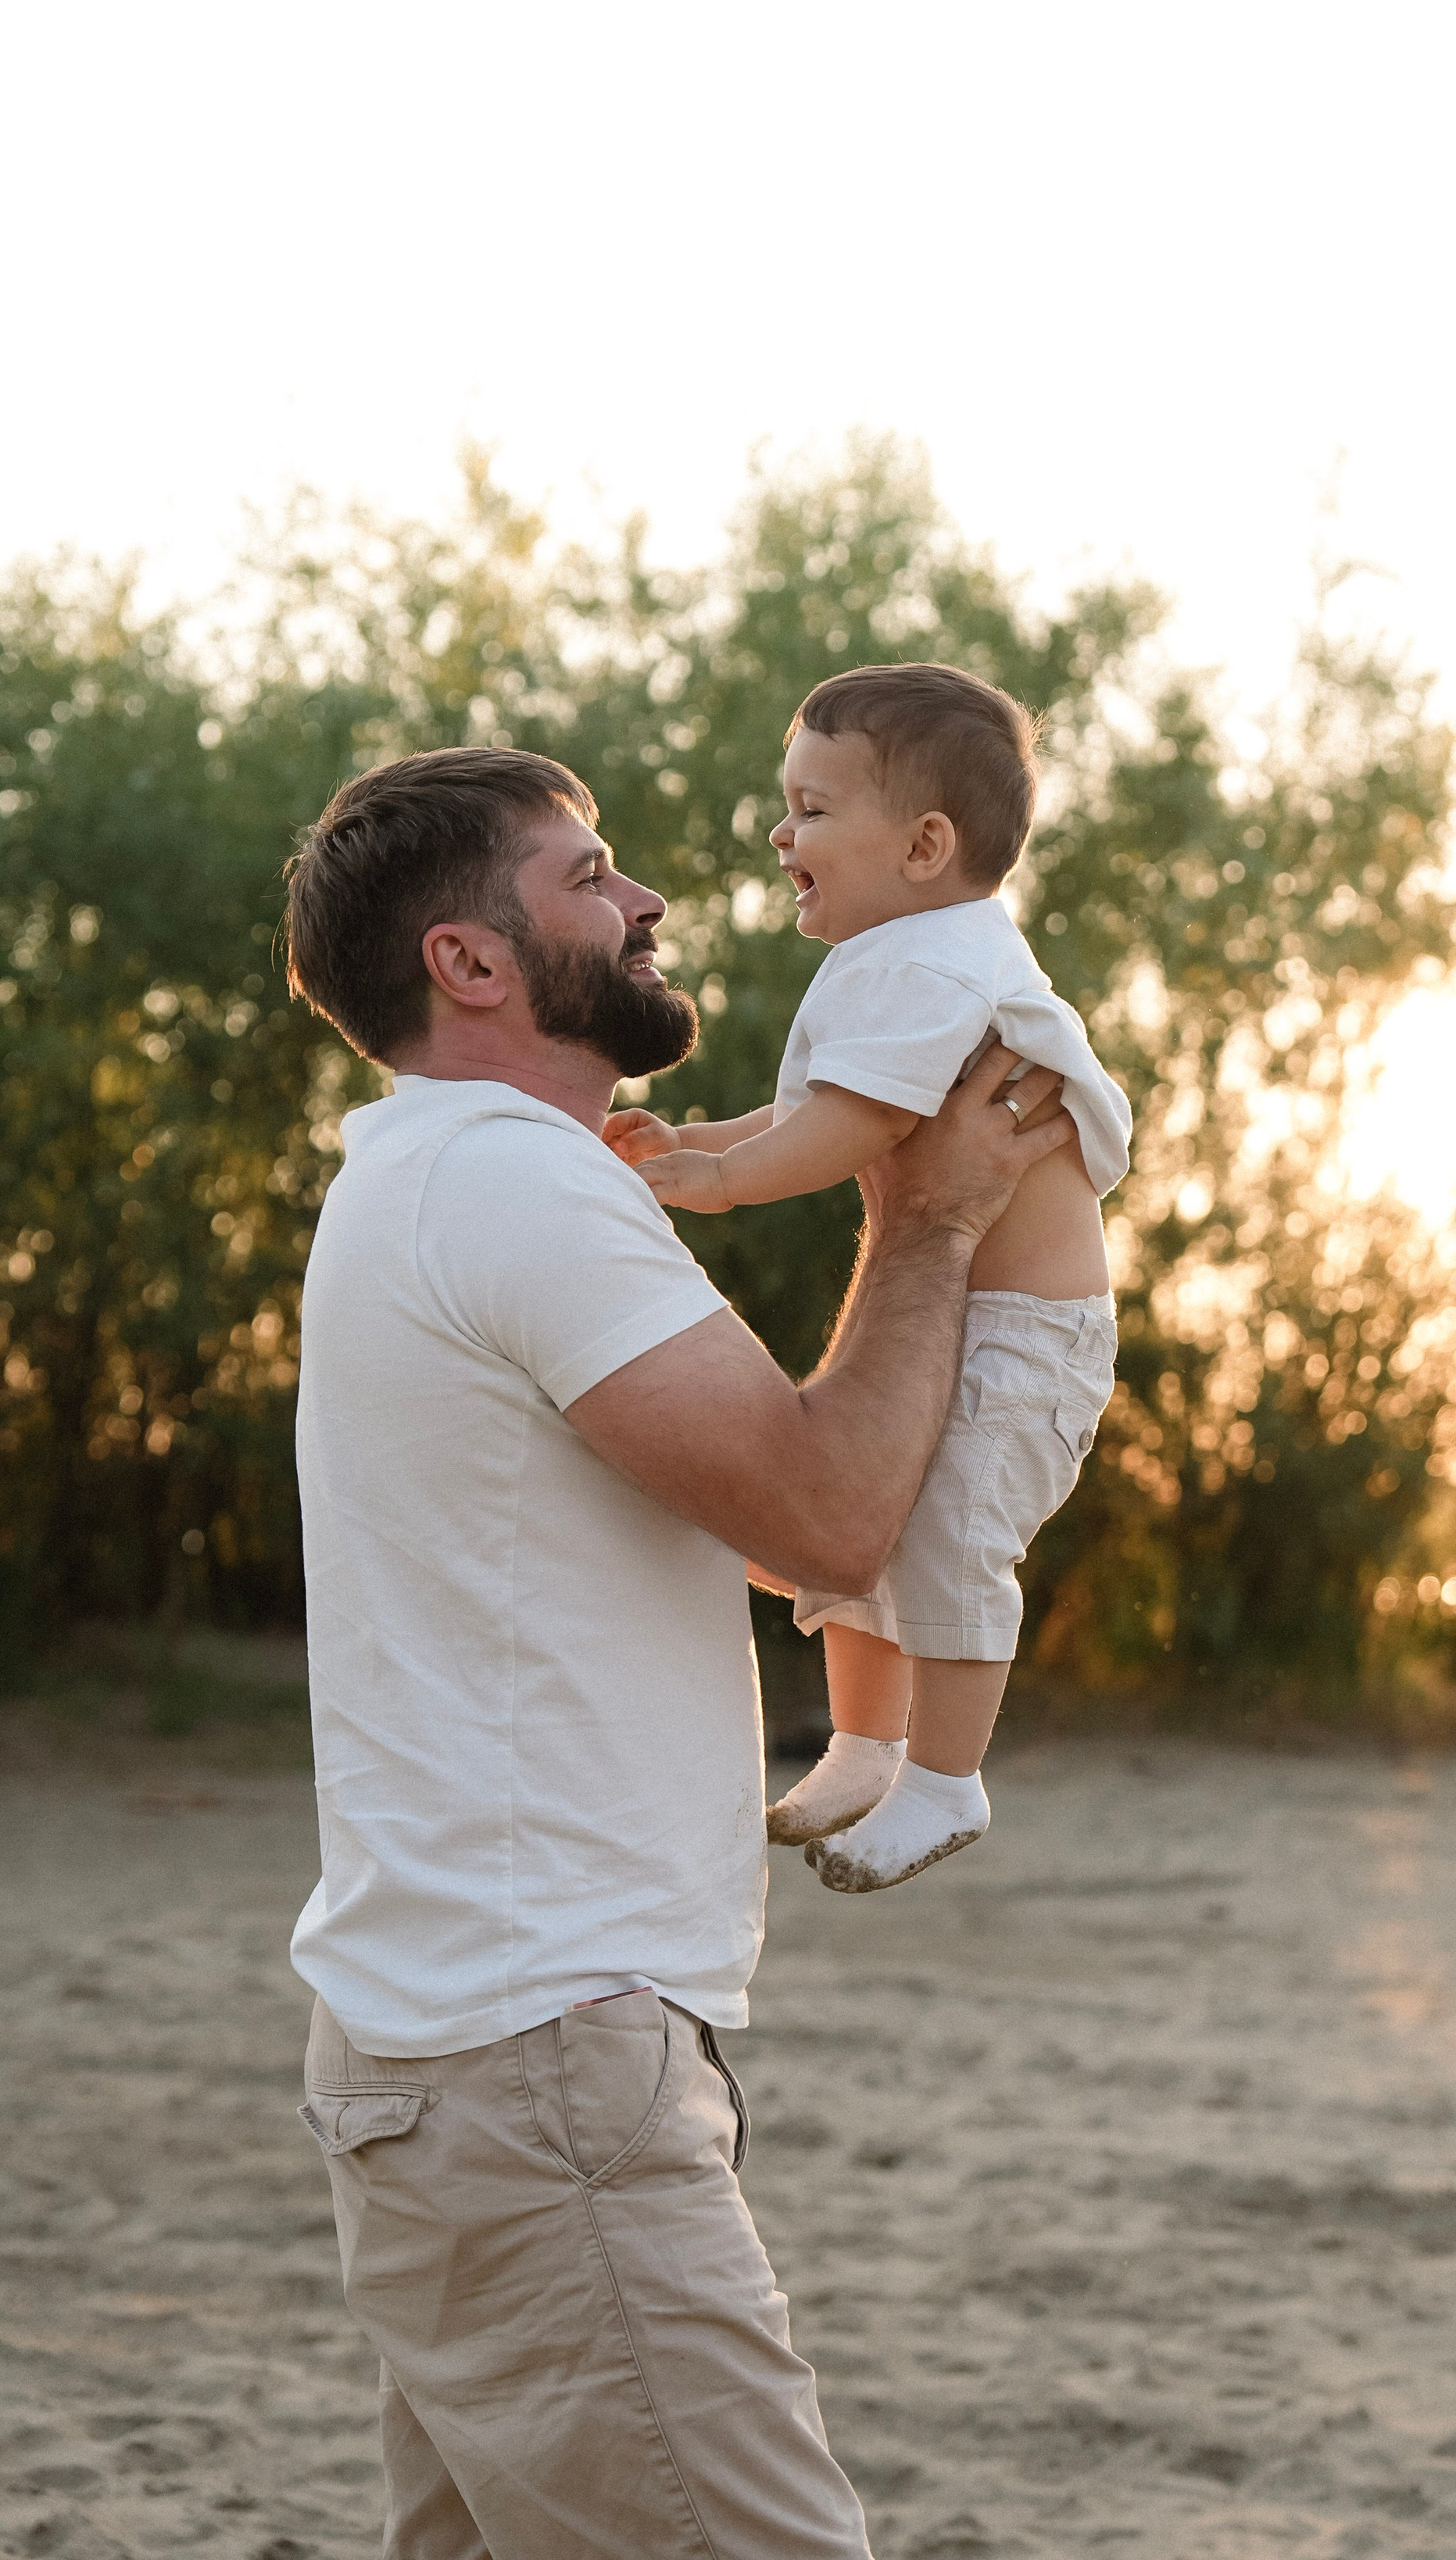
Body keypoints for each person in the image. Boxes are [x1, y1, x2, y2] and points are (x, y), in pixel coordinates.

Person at [280, 740, 1071, 2560]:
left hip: (466, 2049)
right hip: (534, 2052)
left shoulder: (426, 1181)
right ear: (472, 963)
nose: (643, 902)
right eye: (588, 876)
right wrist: (928, 1216)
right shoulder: (508, 1181)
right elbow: (823, 1514)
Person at [606, 664, 1129, 1893]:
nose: (781, 834)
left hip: (1024, 1336)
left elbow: (846, 1133)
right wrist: (700, 1141)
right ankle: (863, 1743)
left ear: (925, 845)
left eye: (811, 809)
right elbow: (814, 1109)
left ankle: (946, 1783)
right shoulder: (909, 957)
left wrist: (720, 1185)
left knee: (949, 1531)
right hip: (969, 1316)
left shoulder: (932, 966)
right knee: (864, 1504)